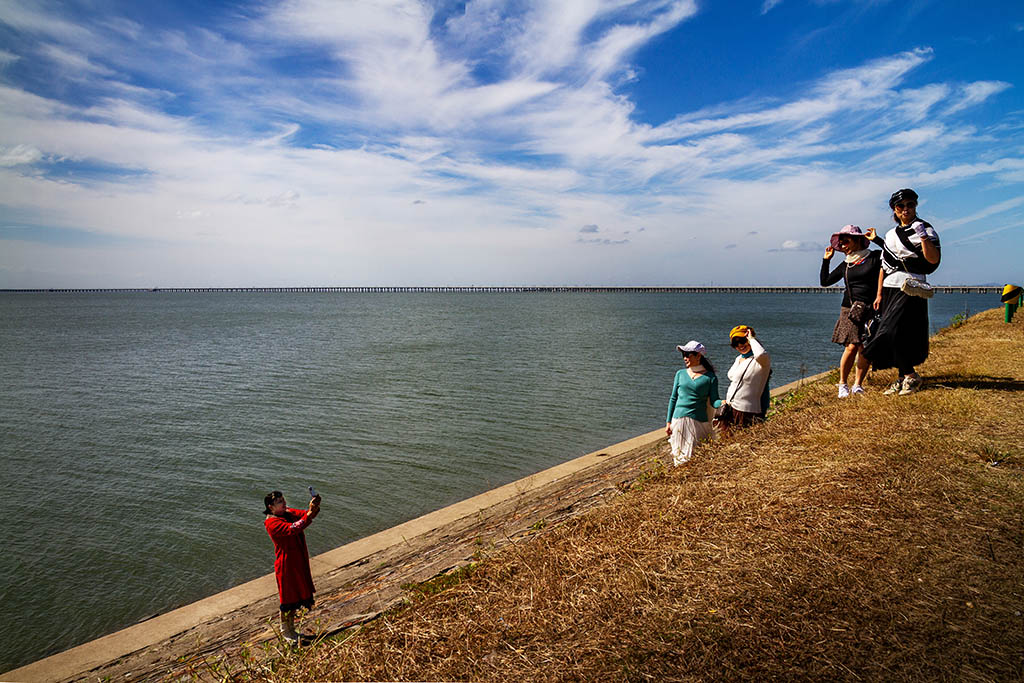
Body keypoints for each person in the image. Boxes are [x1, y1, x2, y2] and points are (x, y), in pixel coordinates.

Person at [862, 188, 941, 395]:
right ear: (894, 210)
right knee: (899, 333)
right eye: (901, 206)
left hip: (911, 287)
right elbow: (884, 265)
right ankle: (903, 376)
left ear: (915, 206)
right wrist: (878, 294)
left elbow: (933, 260)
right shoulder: (890, 234)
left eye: (910, 205)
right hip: (890, 288)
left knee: (892, 331)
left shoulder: (925, 229)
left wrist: (923, 237)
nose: (906, 209)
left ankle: (910, 375)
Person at [819, 225, 883, 397]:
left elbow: (893, 254)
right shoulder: (845, 264)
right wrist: (826, 260)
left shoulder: (875, 257)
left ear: (857, 240)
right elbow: (825, 281)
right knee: (852, 345)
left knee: (865, 346)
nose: (843, 245)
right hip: (850, 308)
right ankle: (842, 384)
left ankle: (858, 385)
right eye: (841, 243)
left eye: (846, 241)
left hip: (871, 307)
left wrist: (876, 239)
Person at [264, 489, 322, 644]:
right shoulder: (271, 523)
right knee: (288, 598)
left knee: (296, 595)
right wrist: (309, 514)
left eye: (283, 500)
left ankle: (291, 630)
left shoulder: (287, 513)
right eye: (279, 502)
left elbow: (305, 515)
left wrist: (313, 507)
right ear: (271, 507)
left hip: (297, 560)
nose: (283, 503)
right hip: (286, 563)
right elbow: (294, 528)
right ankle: (286, 632)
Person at [666, 340, 723, 466]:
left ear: (699, 356)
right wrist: (668, 422)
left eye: (688, 355)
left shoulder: (710, 377)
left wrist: (724, 403)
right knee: (679, 455)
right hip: (678, 421)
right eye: (683, 355)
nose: (685, 358)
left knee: (694, 457)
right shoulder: (680, 374)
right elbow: (673, 398)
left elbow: (714, 401)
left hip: (698, 422)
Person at [718, 325, 771, 432]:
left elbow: (761, 353)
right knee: (727, 444)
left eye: (742, 340)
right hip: (730, 409)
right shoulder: (738, 359)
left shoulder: (761, 361)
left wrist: (751, 339)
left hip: (747, 411)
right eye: (735, 343)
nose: (740, 345)